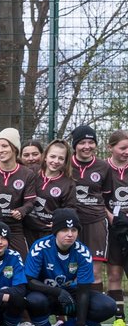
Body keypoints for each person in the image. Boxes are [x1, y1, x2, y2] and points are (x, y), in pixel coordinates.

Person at [24, 208, 117, 326]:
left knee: (107, 306)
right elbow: (29, 281)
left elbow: (84, 291)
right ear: (55, 231)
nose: (70, 234)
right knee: (33, 300)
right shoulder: (40, 247)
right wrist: (57, 291)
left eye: (74, 230)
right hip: (45, 294)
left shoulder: (83, 252)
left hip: (70, 296)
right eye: (64, 230)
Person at [0, 128, 37, 257]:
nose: (0, 150)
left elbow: (30, 201)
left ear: (15, 148)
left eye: (4, 146)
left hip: (14, 227)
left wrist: (22, 210)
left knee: (21, 264)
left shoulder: (27, 174)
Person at [68, 125, 112, 293]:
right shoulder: (65, 163)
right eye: (82, 142)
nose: (87, 146)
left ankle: (94, 316)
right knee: (71, 269)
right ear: (74, 145)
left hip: (96, 221)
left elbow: (107, 196)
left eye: (91, 142)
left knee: (94, 271)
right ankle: (71, 316)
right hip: (71, 223)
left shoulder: (103, 166)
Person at [25, 139, 76, 248]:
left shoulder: (68, 183)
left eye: (61, 158)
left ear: (65, 161)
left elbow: (70, 208)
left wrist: (60, 222)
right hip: (27, 229)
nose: (56, 161)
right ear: (45, 156)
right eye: (52, 156)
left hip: (48, 232)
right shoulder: (32, 172)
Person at [104, 130, 128, 326]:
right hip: (111, 226)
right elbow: (96, 197)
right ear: (110, 147)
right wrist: (109, 215)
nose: (126, 152)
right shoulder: (103, 168)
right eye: (123, 148)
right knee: (114, 272)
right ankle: (119, 319)